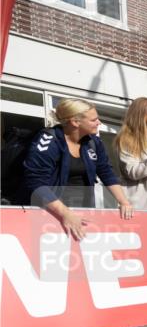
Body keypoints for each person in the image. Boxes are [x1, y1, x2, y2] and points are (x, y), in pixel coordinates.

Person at [18, 98, 133, 239]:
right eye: (93, 120)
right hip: (50, 213)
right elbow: (36, 182)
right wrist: (65, 213)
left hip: (83, 211)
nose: (99, 122)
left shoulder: (94, 142)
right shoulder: (48, 141)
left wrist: (124, 202)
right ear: (75, 122)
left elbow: (106, 172)